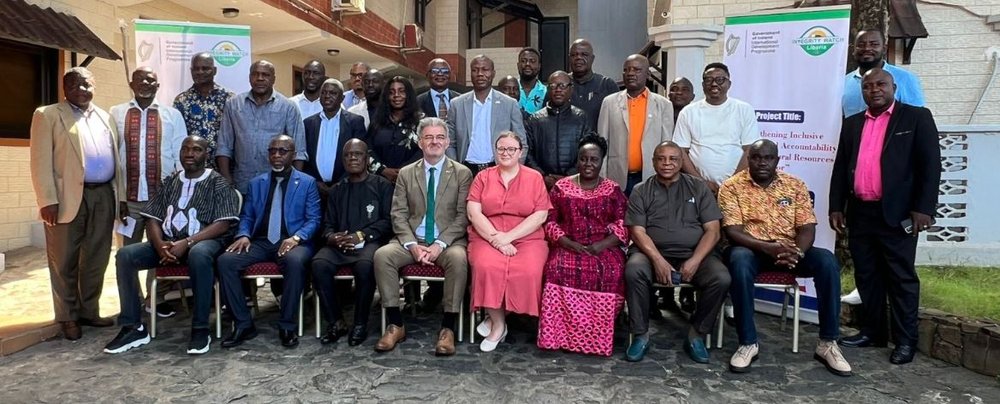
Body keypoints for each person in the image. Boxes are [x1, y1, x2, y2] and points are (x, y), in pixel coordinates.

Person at [830, 68, 941, 365]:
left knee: (901, 278)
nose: (874, 90)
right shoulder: (853, 124)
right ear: (862, 91)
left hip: (899, 213)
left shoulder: (916, 118)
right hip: (861, 212)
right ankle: (873, 331)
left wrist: (924, 209)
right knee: (867, 275)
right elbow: (841, 168)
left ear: (893, 87)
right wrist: (836, 206)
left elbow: (931, 166)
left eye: (881, 84)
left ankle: (906, 341)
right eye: (867, 86)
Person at [719, 139, 851, 376]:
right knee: (738, 260)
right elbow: (733, 231)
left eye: (768, 158)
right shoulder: (731, 186)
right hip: (750, 250)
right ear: (748, 159)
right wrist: (767, 248)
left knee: (827, 261)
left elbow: (807, 228)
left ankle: (828, 343)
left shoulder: (794, 185)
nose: (762, 163)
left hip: (790, 250)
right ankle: (748, 342)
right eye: (756, 157)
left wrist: (797, 253)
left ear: (777, 160)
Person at [103, 135, 240, 355]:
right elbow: (152, 217)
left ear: (207, 154)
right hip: (168, 244)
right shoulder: (171, 181)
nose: (189, 154)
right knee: (125, 256)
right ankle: (133, 326)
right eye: (185, 149)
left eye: (196, 150)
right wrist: (159, 245)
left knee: (199, 255)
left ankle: (200, 329)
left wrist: (187, 242)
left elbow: (223, 224)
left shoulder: (219, 183)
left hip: (205, 243)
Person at [30, 67, 126, 340]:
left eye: (85, 84)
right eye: (73, 85)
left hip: (103, 194)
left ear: (93, 85)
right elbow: (40, 162)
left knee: (97, 256)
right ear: (64, 88)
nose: (80, 89)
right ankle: (68, 316)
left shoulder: (105, 117)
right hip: (65, 198)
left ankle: (89, 310)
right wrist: (47, 199)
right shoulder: (47, 115)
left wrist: (119, 198)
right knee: (64, 259)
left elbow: (116, 162)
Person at [373, 117, 472, 356]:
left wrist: (439, 244)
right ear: (420, 142)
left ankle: (448, 328)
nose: (434, 142)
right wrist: (412, 245)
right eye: (429, 137)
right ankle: (396, 324)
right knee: (382, 255)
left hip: (447, 242)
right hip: (412, 240)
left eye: (440, 137)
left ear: (448, 142)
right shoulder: (407, 174)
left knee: (459, 259)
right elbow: (398, 214)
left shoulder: (462, 173)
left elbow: (462, 217)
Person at [623, 141, 729, 364]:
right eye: (661, 158)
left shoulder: (698, 188)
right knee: (634, 270)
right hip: (651, 252)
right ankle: (640, 334)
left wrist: (695, 260)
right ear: (653, 162)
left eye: (673, 159)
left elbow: (713, 231)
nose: (667, 163)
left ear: (682, 162)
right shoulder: (641, 190)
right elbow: (637, 231)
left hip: (694, 253)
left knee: (720, 278)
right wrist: (658, 260)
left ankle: (696, 334)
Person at [217, 135, 322, 349]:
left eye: (283, 151)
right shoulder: (257, 183)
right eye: (272, 150)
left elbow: (314, 219)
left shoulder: (307, 182)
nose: (276, 155)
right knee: (226, 261)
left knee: (294, 261)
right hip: (261, 241)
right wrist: (244, 235)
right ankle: (243, 323)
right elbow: (246, 216)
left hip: (294, 241)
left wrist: (296, 238)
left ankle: (287, 325)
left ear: (293, 155)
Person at [536, 135, 627, 356]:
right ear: (577, 160)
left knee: (611, 272)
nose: (588, 164)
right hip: (567, 246)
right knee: (556, 269)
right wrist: (566, 242)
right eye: (583, 159)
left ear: (602, 161)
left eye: (594, 159)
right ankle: (559, 336)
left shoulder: (612, 190)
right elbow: (549, 220)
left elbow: (624, 223)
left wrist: (602, 245)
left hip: (604, 248)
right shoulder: (561, 187)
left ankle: (596, 338)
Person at [111, 66, 188, 318]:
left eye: (151, 80)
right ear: (131, 84)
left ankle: (155, 299)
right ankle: (131, 303)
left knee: (161, 249)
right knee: (127, 254)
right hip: (130, 200)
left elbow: (181, 156)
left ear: (157, 86)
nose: (145, 83)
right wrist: (119, 197)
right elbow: (114, 157)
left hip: (162, 200)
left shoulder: (172, 115)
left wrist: (177, 197)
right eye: (140, 79)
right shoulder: (117, 113)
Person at [468, 132, 551, 352]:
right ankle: (498, 324)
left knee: (528, 270)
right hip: (487, 234)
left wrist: (509, 237)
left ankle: (498, 316)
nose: (506, 153)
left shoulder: (534, 178)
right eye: (501, 149)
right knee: (487, 267)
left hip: (526, 236)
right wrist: (497, 240)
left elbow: (540, 215)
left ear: (520, 152)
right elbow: (474, 213)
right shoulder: (483, 177)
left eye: (511, 149)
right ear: (495, 152)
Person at [311, 139, 394, 346]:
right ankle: (336, 321)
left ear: (366, 159)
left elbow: (388, 221)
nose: (352, 158)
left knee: (365, 266)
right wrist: (332, 237)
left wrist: (362, 235)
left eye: (357, 154)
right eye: (348, 155)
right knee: (319, 263)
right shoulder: (337, 189)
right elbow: (328, 224)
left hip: (368, 243)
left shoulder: (382, 185)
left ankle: (360, 323)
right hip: (340, 245)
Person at [217, 60, 307, 193]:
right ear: (249, 78)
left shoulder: (288, 107)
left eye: (265, 75)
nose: (260, 78)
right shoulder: (233, 105)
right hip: (241, 185)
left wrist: (294, 186)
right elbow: (224, 147)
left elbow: (299, 151)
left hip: (277, 185)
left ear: (273, 79)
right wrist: (227, 179)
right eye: (255, 74)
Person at [674, 62, 760, 194]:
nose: (714, 84)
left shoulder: (743, 109)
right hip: (698, 188)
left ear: (729, 84)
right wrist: (701, 182)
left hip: (736, 187)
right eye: (709, 80)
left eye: (720, 80)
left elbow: (750, 149)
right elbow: (681, 150)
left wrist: (733, 183)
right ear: (703, 85)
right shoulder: (688, 112)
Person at [597, 54, 673, 195]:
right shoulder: (609, 102)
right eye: (627, 70)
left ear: (648, 74)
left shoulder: (663, 105)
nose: (631, 73)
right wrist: (602, 179)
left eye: (637, 70)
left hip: (651, 178)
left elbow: (666, 146)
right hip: (616, 179)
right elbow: (602, 143)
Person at [446, 55, 526, 177]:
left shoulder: (509, 104)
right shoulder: (457, 104)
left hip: (500, 169)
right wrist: (456, 169)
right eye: (475, 70)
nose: (480, 73)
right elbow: (450, 142)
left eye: (485, 69)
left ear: (493, 73)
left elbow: (522, 143)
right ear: (470, 73)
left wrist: (514, 171)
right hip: (465, 171)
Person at [525, 71, 592, 189]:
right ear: (547, 89)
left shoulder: (581, 117)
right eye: (553, 86)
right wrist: (543, 176)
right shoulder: (535, 119)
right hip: (542, 184)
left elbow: (586, 152)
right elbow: (528, 153)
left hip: (574, 183)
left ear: (571, 89)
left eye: (563, 86)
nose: (558, 90)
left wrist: (568, 177)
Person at [303, 79, 367, 195]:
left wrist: (340, 183)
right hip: (315, 189)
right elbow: (305, 157)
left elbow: (359, 157)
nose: (327, 96)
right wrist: (315, 182)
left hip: (347, 188)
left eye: (333, 93)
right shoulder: (308, 123)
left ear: (342, 98)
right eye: (324, 92)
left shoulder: (355, 122)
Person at [843, 30, 925, 117]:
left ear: (884, 49)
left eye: (874, 44)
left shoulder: (905, 78)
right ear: (853, 50)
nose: (867, 48)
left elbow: (916, 117)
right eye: (861, 45)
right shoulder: (843, 83)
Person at [173, 52, 235, 167]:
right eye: (196, 69)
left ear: (214, 70)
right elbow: (178, 138)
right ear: (191, 71)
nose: (200, 72)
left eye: (205, 68)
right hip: (193, 168)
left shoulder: (229, 99)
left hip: (224, 168)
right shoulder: (181, 100)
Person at [367, 76, 425, 183]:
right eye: (392, 92)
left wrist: (403, 171)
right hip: (380, 181)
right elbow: (368, 150)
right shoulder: (377, 121)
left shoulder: (421, 121)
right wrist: (383, 170)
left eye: (401, 91)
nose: (396, 95)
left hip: (412, 180)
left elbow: (424, 150)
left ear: (409, 95)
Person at [568, 39, 621, 129]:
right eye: (574, 55)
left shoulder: (607, 85)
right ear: (569, 58)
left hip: (597, 141)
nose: (578, 58)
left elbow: (617, 121)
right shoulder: (560, 85)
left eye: (584, 54)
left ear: (592, 59)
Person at [517, 48, 547, 114]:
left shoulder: (546, 92)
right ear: (518, 65)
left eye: (532, 61)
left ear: (539, 66)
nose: (527, 64)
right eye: (523, 61)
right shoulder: (511, 89)